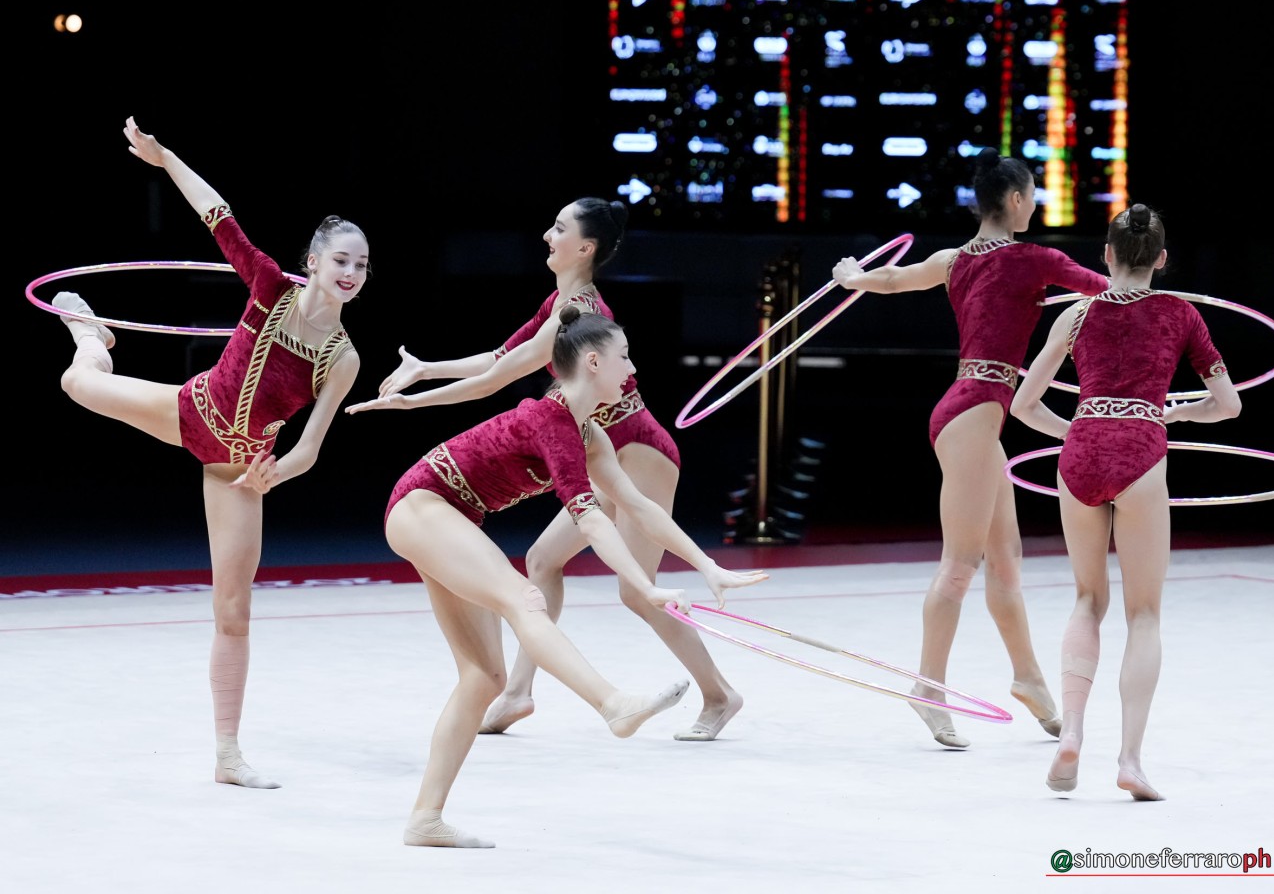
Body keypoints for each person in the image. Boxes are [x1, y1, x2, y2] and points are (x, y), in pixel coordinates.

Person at [51, 116, 369, 789]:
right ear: (313, 262)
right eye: (341, 260)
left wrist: (275, 473)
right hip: (191, 412)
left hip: (238, 471)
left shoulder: (343, 358)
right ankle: (90, 336)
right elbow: (217, 215)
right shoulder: (270, 287)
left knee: (234, 608)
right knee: (75, 385)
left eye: (362, 265)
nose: (351, 272)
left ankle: (227, 753)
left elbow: (311, 448)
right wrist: (165, 158)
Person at [352, 198, 745, 742]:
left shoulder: (581, 312)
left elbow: (496, 380)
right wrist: (425, 369)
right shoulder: (561, 305)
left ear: (584, 248)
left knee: (636, 591)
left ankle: (719, 694)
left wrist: (413, 401)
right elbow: (498, 358)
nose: (546, 235)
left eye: (558, 228)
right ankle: (518, 692)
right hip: (597, 445)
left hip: (634, 448)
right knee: (541, 561)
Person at [376, 305, 769, 847]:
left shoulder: (591, 434)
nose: (632, 369)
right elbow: (592, 521)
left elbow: (638, 506)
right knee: (524, 599)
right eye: (624, 357)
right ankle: (611, 703)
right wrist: (645, 586)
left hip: (450, 514)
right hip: (423, 504)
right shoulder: (553, 422)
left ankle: (425, 817)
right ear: (592, 362)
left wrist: (708, 567)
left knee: (483, 677)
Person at [832, 148, 1109, 748]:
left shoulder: (953, 259)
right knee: (959, 566)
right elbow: (1108, 292)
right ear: (1015, 199)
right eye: (1033, 196)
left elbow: (892, 280)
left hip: (972, 413)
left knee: (1005, 563)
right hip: (974, 414)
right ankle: (926, 687)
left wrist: (853, 277)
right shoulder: (1036, 258)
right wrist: (1160, 300)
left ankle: (1028, 678)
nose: (1035, 206)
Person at [1011, 202, 1240, 800]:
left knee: (1088, 600)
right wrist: (1175, 413)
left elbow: (1024, 405)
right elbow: (1228, 405)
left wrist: (1079, 429)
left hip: (1081, 454)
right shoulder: (1181, 313)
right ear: (1161, 259)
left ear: (1106, 255)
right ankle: (1130, 760)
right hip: (1141, 450)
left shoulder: (1076, 314)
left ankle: (1071, 733)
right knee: (1144, 614)